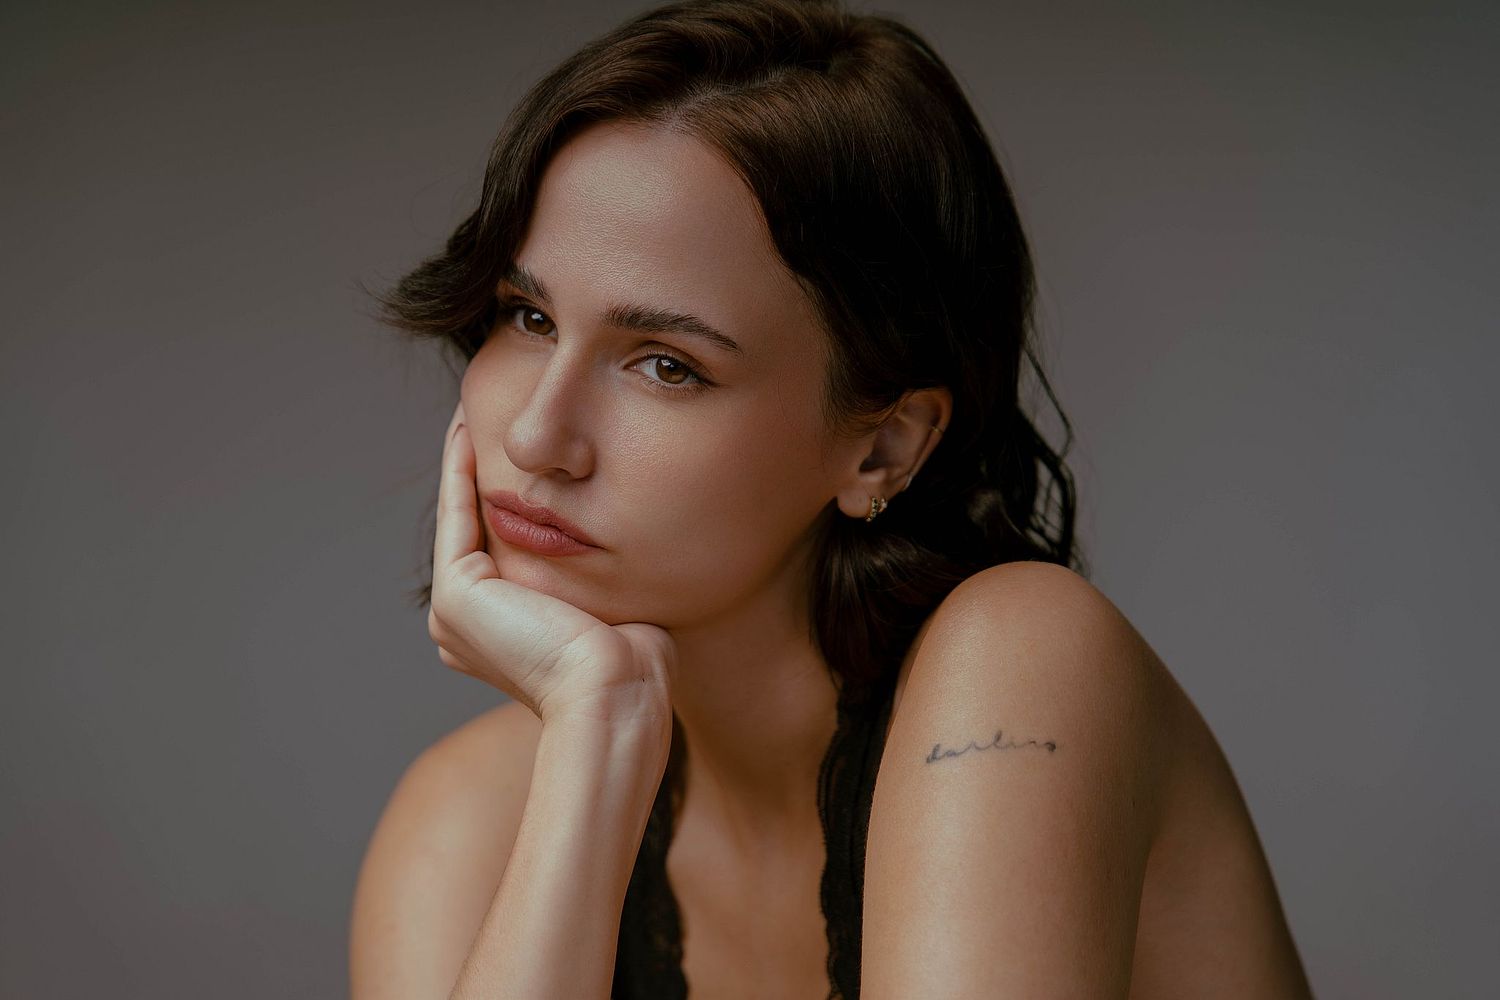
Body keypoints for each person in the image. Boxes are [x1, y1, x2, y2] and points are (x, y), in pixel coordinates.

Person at [349, 1, 1314, 997]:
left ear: (883, 447)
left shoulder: (1020, 663)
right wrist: (597, 728)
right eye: (529, 315)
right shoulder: (463, 823)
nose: (536, 436)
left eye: (667, 366)